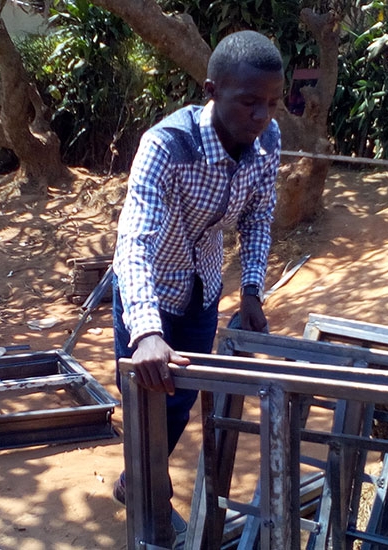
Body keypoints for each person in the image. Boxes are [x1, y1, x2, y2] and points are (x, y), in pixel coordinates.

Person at [110, 29, 284, 516]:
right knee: (145, 396)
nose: (261, 115)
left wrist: (252, 290)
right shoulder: (166, 145)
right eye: (248, 102)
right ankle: (148, 498)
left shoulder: (267, 139)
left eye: (272, 103)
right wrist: (146, 332)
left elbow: (257, 217)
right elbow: (135, 239)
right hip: (148, 291)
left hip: (203, 289)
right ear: (212, 90)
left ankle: (138, 478)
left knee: (179, 400)